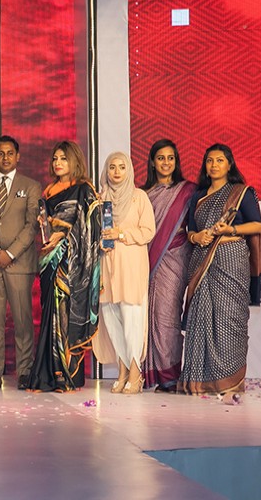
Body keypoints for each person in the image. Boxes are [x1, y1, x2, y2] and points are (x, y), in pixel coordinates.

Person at [179, 143, 261, 396]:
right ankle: (200, 381)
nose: (213, 165)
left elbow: (257, 226)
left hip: (231, 260)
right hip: (203, 260)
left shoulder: (241, 193)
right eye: (209, 161)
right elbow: (190, 230)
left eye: (219, 160)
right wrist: (197, 237)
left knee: (229, 319)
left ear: (229, 165)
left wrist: (231, 230)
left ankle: (230, 380)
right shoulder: (198, 197)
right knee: (201, 317)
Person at [27, 141, 102, 393]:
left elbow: (93, 226)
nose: (58, 163)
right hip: (50, 260)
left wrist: (64, 234)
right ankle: (47, 373)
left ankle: (66, 375)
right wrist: (45, 223)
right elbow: (48, 226)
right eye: (55, 158)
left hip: (73, 263)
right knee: (50, 314)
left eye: (64, 159)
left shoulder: (84, 189)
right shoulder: (48, 191)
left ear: (75, 161)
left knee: (66, 315)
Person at [0, 135, 40, 391]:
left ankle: (25, 371)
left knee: (22, 320)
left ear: (18, 156)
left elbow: (31, 225)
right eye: (0, 153)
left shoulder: (32, 186)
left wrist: (10, 253)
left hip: (19, 263)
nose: (5, 157)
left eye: (9, 153)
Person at [93, 152, 156, 394]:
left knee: (132, 318)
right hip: (107, 266)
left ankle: (135, 370)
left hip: (130, 265)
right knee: (111, 318)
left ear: (129, 170)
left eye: (121, 167)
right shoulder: (100, 201)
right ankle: (121, 368)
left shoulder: (139, 197)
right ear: (106, 171)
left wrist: (120, 233)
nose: (117, 171)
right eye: (112, 167)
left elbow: (147, 231)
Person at [140, 140, 195, 393]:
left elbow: (195, 224)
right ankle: (151, 374)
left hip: (175, 258)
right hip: (147, 260)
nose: (166, 163)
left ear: (176, 161)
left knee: (167, 316)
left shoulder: (188, 191)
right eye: (160, 158)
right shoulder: (142, 193)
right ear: (152, 161)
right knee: (148, 316)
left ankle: (170, 374)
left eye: (170, 158)